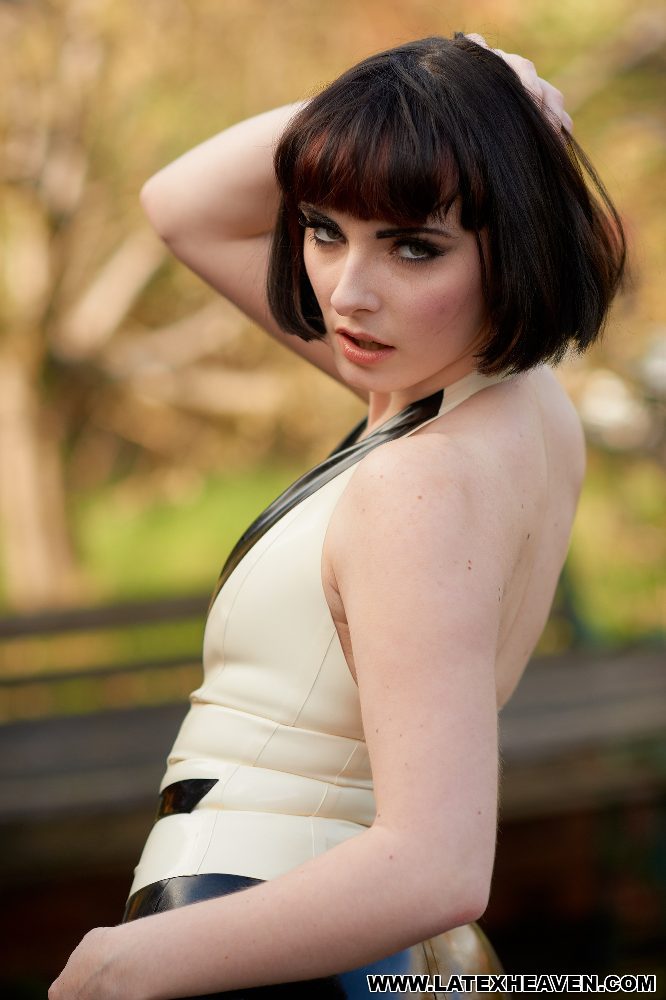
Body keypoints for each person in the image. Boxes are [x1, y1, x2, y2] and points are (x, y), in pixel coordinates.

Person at [50, 32, 624, 999]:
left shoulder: (420, 480)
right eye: (323, 229)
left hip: (263, 913)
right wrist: (428, 94)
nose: (348, 294)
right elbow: (181, 208)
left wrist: (120, 966)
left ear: (515, 242)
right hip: (348, 937)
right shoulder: (510, 404)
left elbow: (439, 864)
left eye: (414, 246)